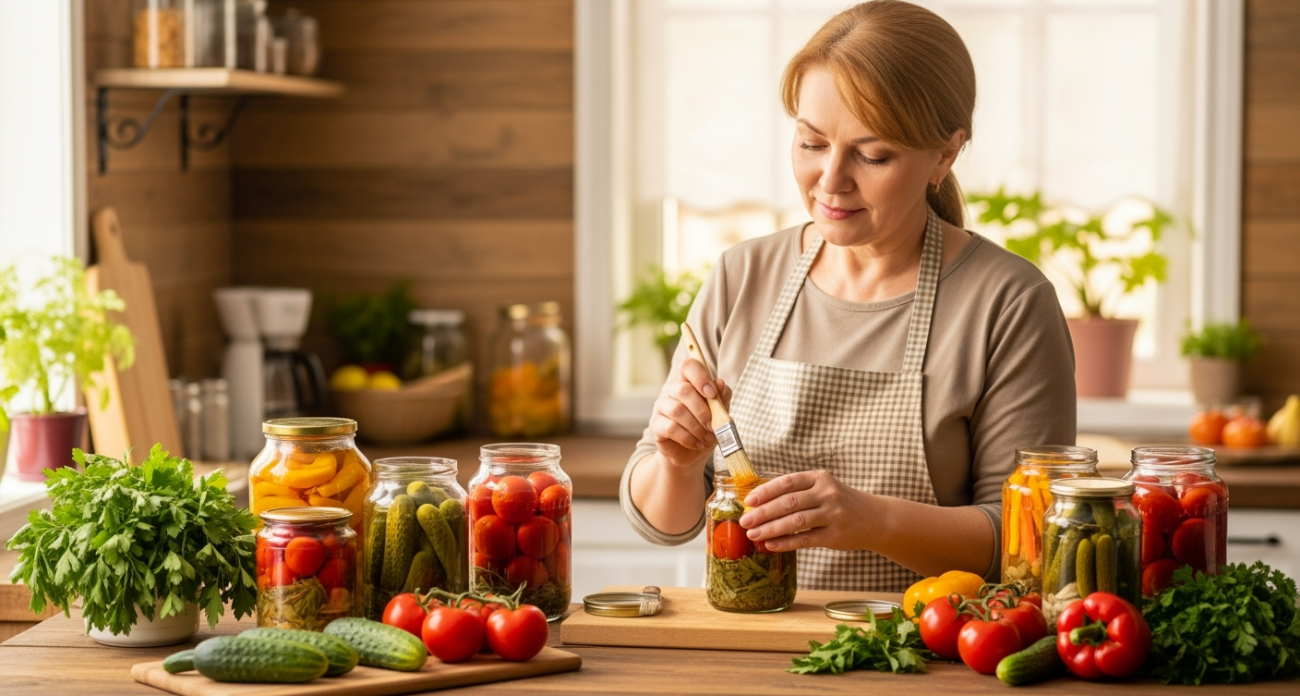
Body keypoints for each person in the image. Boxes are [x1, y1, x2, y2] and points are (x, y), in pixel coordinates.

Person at [618, 0, 1076, 591]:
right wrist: (678, 466)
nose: (830, 180)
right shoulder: (742, 275)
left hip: (926, 659)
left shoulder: (1008, 302)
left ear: (944, 154)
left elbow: (1028, 543)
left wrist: (874, 520)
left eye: (872, 154)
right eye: (811, 143)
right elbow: (663, 523)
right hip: (753, 651)